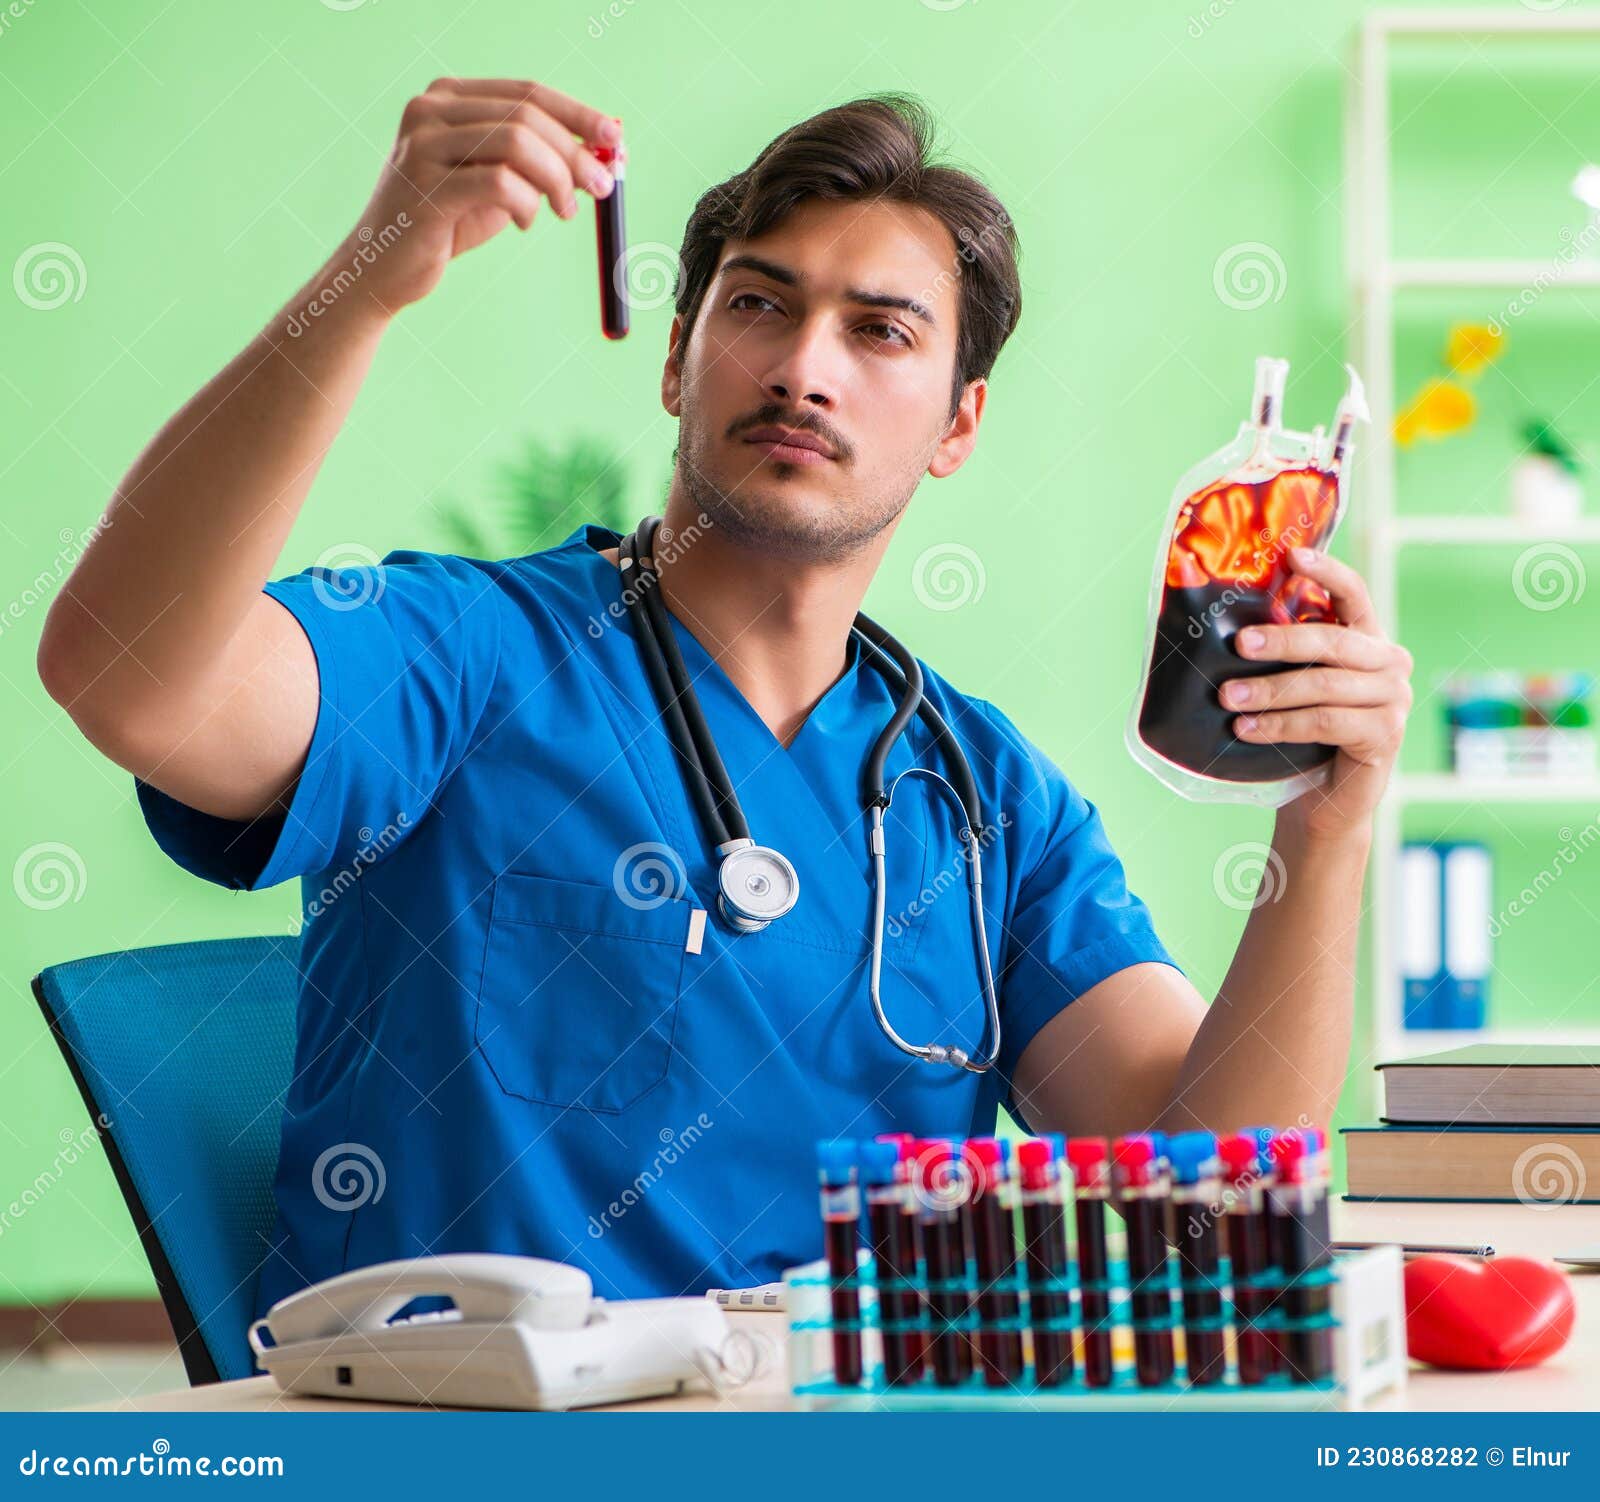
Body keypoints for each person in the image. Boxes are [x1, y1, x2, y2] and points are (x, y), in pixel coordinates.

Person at [38, 84, 1412, 1315]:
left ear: (957, 428)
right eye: (759, 305)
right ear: (677, 356)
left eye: (880, 330)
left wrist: (1325, 827)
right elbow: (130, 678)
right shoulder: (462, 655)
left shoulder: (985, 801)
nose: (804, 365)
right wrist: (370, 284)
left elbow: (1206, 1205)